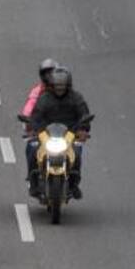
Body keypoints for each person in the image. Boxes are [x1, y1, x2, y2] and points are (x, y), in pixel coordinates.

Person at [26, 68, 91, 198]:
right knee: (32, 149)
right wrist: (33, 129)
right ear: (51, 86)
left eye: (62, 87)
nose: (60, 89)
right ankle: (33, 183)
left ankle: (74, 184)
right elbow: (36, 116)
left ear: (68, 85)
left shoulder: (77, 98)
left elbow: (84, 116)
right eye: (57, 86)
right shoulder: (44, 99)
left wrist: (82, 130)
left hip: (70, 134)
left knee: (77, 154)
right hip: (47, 134)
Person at [21, 58, 60, 126]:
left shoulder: (65, 89)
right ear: (43, 76)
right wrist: (26, 115)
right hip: (43, 126)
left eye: (52, 73)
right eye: (47, 74)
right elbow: (31, 102)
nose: (50, 76)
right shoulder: (37, 90)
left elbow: (76, 103)